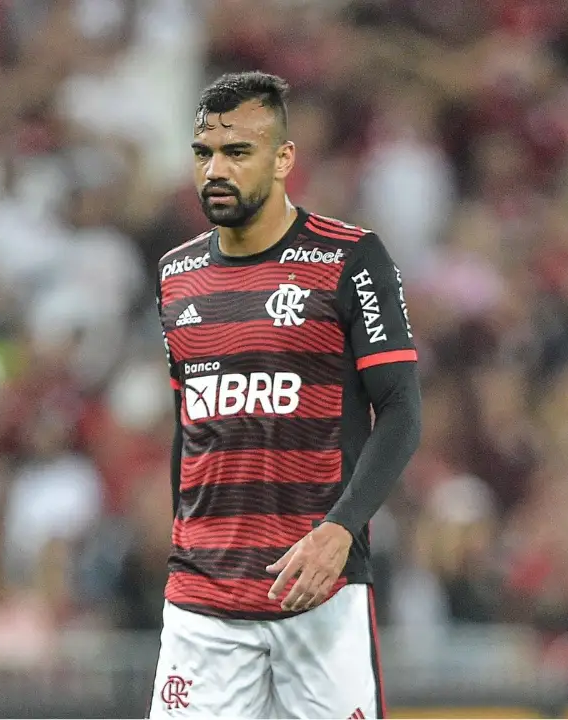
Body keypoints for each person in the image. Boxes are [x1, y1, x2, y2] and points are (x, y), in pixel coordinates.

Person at [150, 71, 422, 718]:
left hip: (317, 593)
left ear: (283, 159)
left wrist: (340, 530)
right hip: (203, 604)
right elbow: (188, 426)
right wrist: (182, 546)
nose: (215, 169)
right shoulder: (175, 276)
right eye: (203, 153)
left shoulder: (351, 260)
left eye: (237, 152)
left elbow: (403, 412)